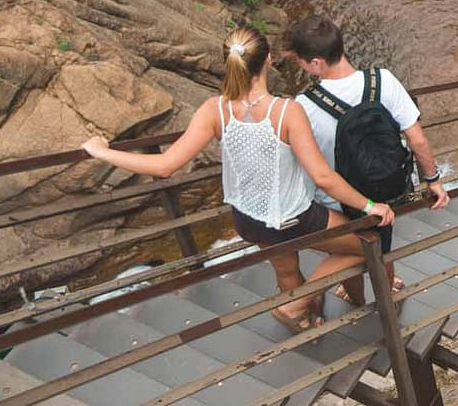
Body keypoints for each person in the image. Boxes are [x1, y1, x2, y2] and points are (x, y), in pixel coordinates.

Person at [80, 28, 395, 331]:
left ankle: (305, 320)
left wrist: (102, 152)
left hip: (248, 218)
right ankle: (295, 306)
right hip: (293, 218)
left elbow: (165, 165)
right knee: (369, 245)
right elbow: (323, 176)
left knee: (286, 269)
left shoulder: (213, 110)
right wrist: (369, 205)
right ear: (268, 59)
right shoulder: (286, 112)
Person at [286, 15, 449, 304]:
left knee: (347, 251)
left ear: (315, 63)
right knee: (382, 247)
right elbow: (418, 139)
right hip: (388, 187)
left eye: (300, 61)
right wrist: (433, 180)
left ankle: (356, 299)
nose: (299, 66)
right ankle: (386, 297)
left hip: (342, 199)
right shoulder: (382, 80)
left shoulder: (304, 106)